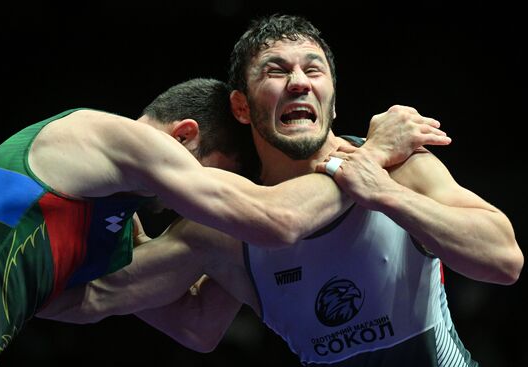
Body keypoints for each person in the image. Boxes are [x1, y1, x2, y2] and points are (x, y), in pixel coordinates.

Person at [37, 14, 522, 366]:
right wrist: (104, 246)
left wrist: (389, 196)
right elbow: (185, 323)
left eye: (313, 70)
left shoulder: (400, 167)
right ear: (242, 107)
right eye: (275, 71)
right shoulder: (226, 227)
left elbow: (504, 260)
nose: (298, 83)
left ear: (332, 98)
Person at [0, 76, 400, 367]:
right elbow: (279, 218)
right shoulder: (109, 134)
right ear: (183, 136)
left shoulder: (110, 223)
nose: (200, 205)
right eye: (218, 178)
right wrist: (370, 156)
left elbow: (196, 325)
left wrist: (220, 245)